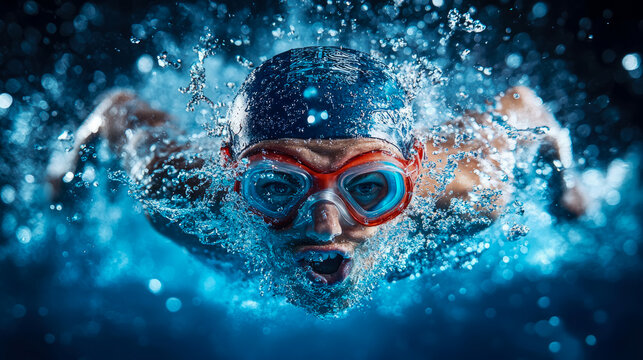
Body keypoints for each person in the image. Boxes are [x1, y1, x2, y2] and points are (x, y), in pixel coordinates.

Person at [47, 46, 585, 314]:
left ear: (415, 170)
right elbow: (118, 111)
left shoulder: (469, 193)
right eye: (278, 186)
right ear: (232, 171)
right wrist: (65, 174)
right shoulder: (176, 191)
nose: (326, 228)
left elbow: (525, 108)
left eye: (368, 187)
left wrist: (568, 194)